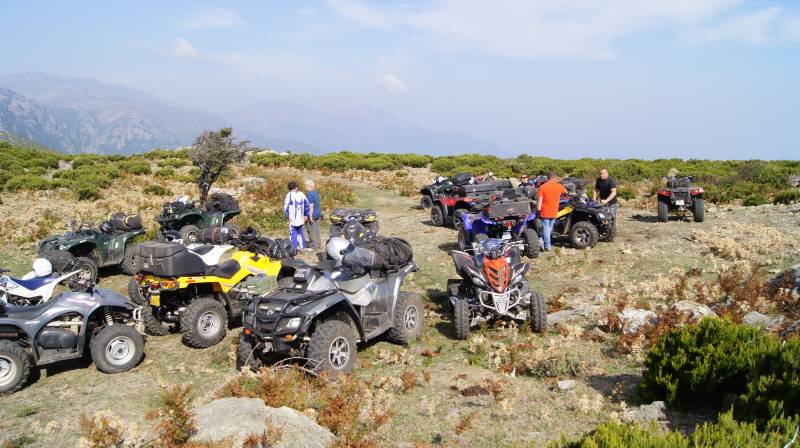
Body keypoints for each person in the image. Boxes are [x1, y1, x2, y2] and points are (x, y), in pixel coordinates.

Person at [537, 172, 567, 251]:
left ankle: (547, 246)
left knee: (546, 229)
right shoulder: (559, 186)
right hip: (554, 211)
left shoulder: (542, 187)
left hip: (545, 211)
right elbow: (566, 192)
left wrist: (538, 210)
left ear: (548, 178)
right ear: (554, 178)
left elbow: (540, 200)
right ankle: (541, 241)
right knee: (549, 229)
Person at [283, 181, 309, 251]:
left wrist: (287, 217)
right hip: (300, 219)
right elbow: (307, 205)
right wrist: (306, 215)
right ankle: (302, 248)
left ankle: (294, 249)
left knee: (293, 234)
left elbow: (285, 208)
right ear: (296, 187)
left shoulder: (289, 195)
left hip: (292, 219)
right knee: (301, 234)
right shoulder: (302, 194)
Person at [305, 179, 322, 250]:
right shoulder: (316, 193)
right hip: (318, 213)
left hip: (313, 214)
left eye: (305, 186)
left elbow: (311, 206)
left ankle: (313, 246)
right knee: (317, 229)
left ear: (309, 186)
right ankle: (318, 244)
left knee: (311, 230)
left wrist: (310, 216)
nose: (305, 187)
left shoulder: (309, 194)